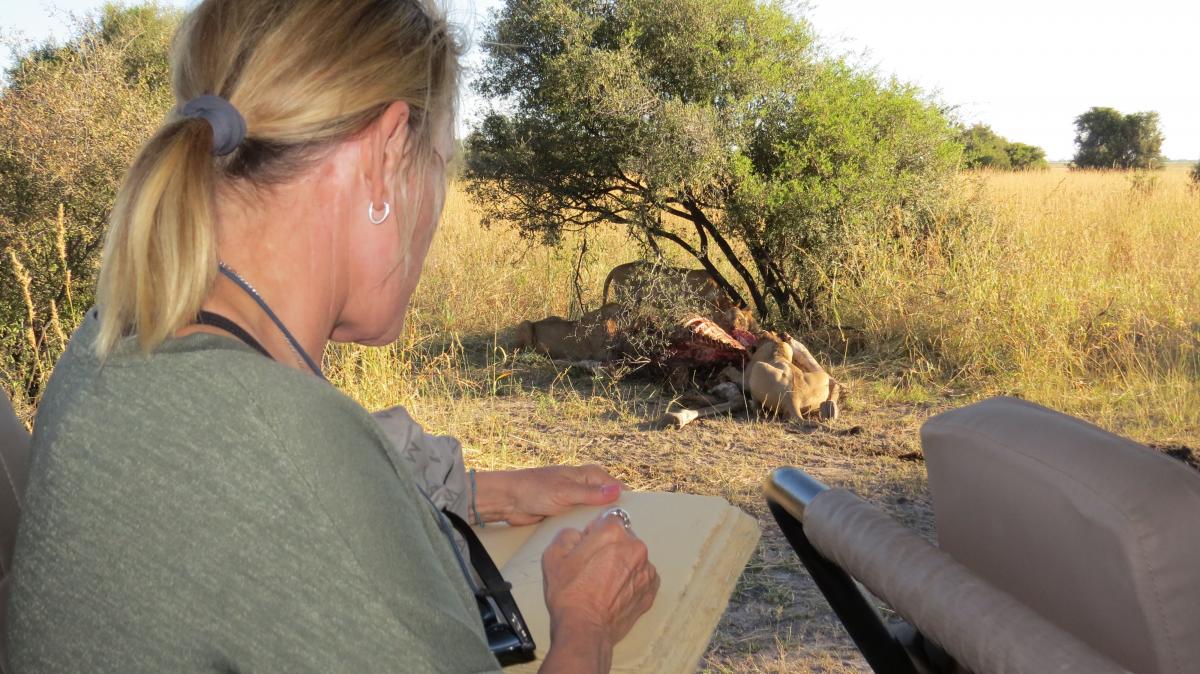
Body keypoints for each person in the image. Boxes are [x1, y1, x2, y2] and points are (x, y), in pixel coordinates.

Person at [7, 0, 659, 671]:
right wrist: (586, 623)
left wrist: (478, 493)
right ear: (383, 155)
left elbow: (242, 510)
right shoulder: (293, 447)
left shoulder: (111, 342)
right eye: (440, 161)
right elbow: (292, 486)